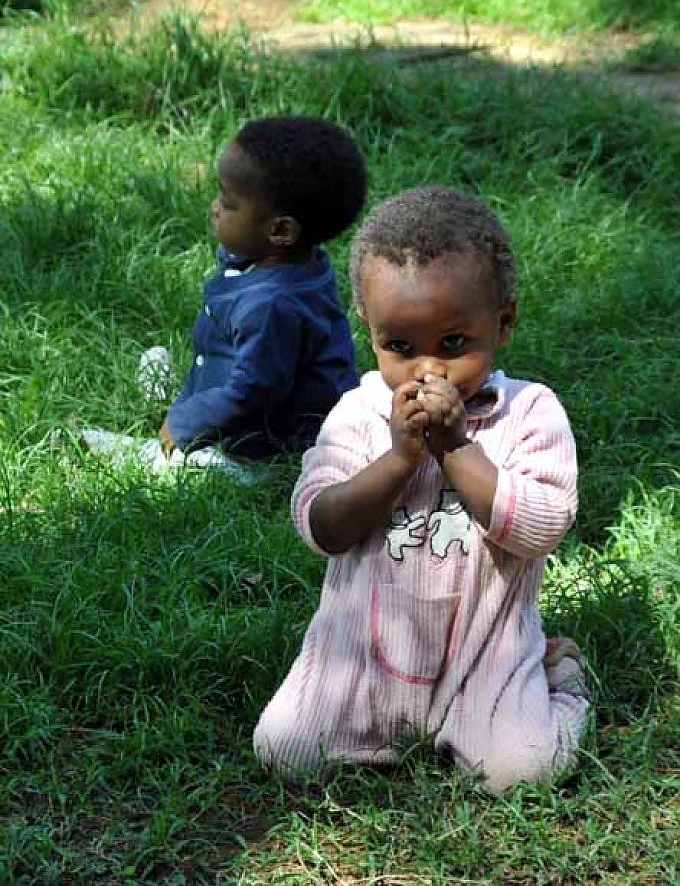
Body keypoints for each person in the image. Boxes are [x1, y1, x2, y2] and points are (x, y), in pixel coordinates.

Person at [253, 186, 589, 792]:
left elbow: (543, 526)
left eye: (453, 344)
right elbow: (321, 526)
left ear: (503, 321)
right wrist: (399, 459)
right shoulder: (358, 413)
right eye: (399, 347)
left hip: (484, 653)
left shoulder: (530, 412)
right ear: (371, 332)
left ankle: (557, 678)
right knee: (286, 751)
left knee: (523, 771)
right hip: (363, 654)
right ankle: (378, 719)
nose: (427, 370)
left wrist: (459, 451)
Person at [82, 115, 366, 477]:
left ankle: (153, 452)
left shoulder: (273, 306)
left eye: (229, 202)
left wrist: (188, 424)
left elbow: (255, 391)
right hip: (259, 402)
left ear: (280, 230)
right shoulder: (288, 262)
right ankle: (191, 400)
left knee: (197, 464)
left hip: (272, 443)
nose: (215, 205)